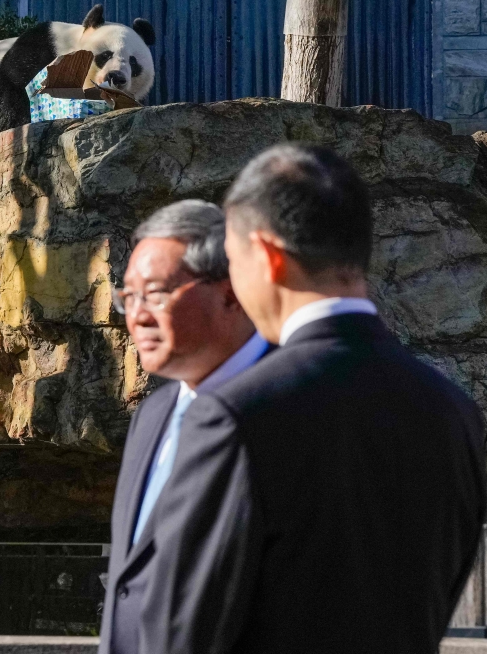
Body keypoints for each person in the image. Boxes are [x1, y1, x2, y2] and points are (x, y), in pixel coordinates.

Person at [141, 144, 486, 654]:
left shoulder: (232, 415)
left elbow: (179, 632)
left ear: (268, 257)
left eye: (234, 262)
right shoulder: (454, 411)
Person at [99, 200, 270, 654]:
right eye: (127, 297)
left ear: (230, 292)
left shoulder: (292, 414)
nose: (135, 315)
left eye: (154, 293)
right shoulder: (151, 417)